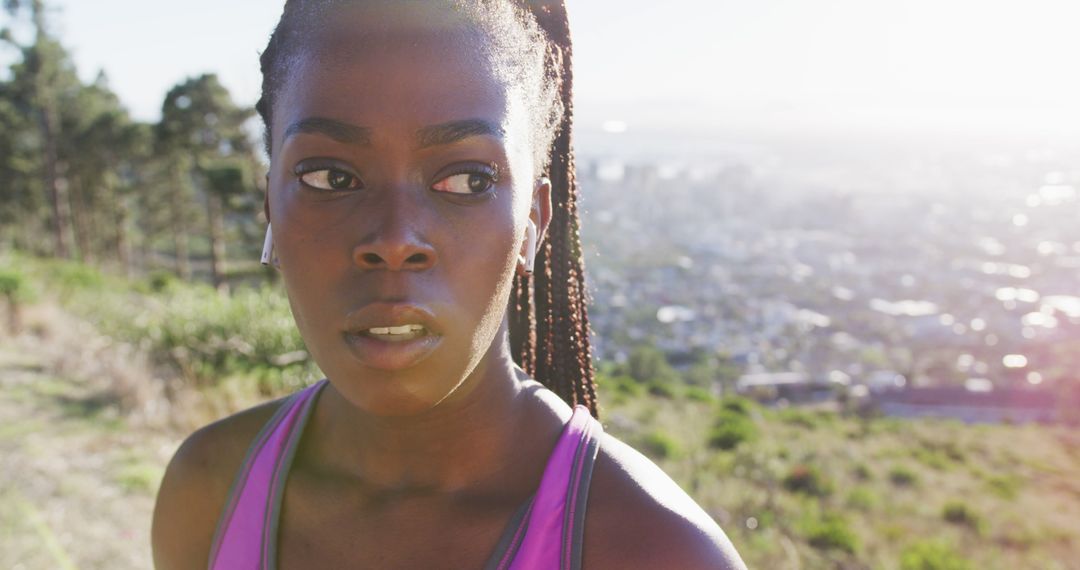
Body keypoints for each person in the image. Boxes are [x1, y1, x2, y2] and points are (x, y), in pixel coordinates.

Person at [152, 1, 747, 568]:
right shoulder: (208, 489)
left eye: (466, 180)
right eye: (331, 177)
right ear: (270, 209)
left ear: (533, 223)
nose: (393, 238)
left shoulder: (656, 552)